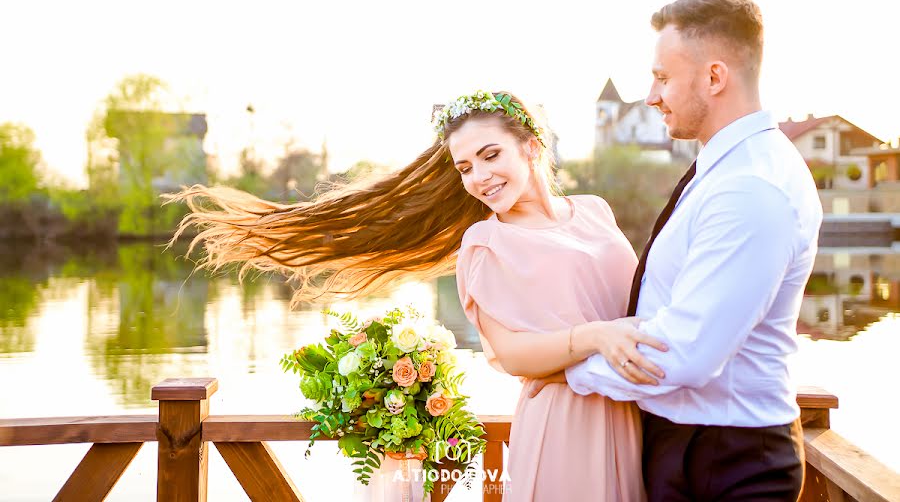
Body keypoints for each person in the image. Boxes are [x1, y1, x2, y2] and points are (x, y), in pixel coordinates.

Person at [168, 90, 664, 501]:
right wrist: (596, 336)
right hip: (567, 424)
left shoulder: (596, 211)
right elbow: (512, 355)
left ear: (531, 147)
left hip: (637, 417)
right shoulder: (487, 244)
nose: (480, 178)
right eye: (465, 167)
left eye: (491, 156)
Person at [528, 0, 824, 502]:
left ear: (714, 77)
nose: (650, 95)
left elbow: (682, 353)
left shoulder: (752, 186)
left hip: (728, 464)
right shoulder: (726, 167)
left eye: (663, 77)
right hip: (693, 447)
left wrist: (562, 368)